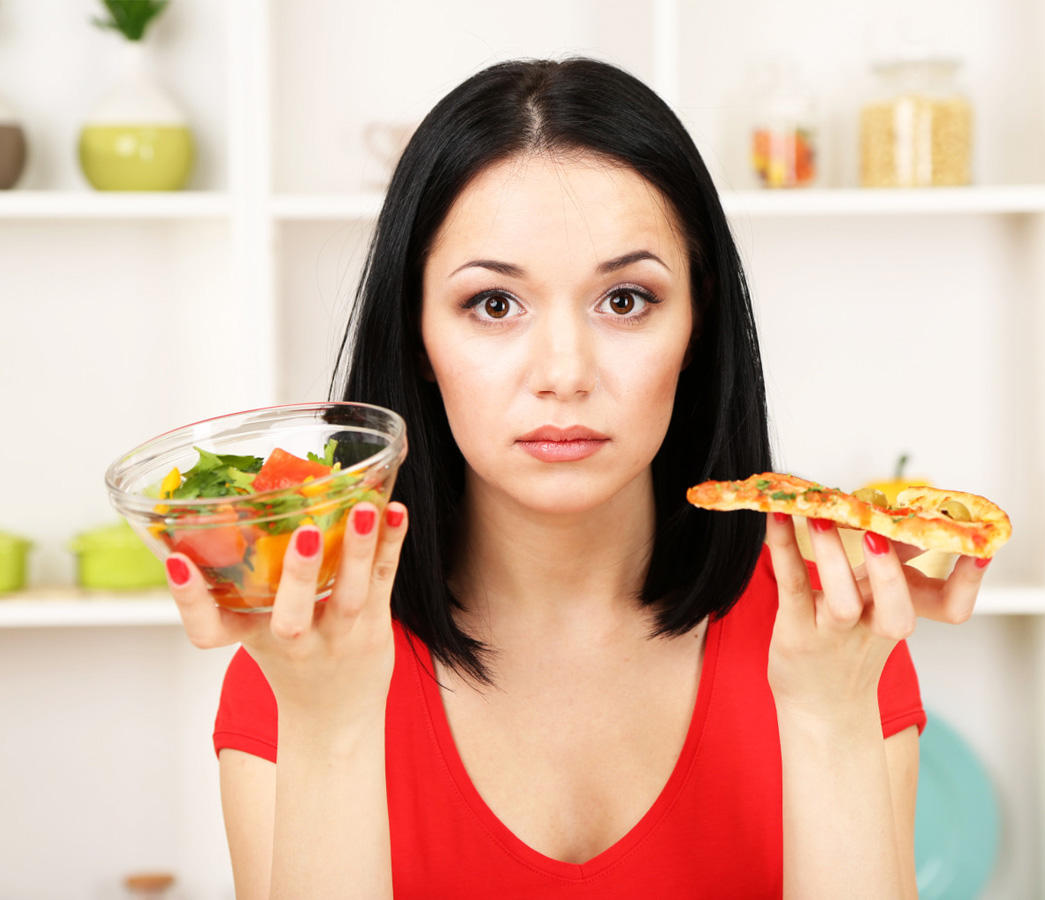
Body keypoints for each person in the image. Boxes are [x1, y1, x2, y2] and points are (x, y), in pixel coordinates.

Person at [164, 57, 994, 899]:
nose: (564, 372)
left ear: (698, 323)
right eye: (494, 304)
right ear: (416, 333)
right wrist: (332, 726)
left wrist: (828, 717)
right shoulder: (304, 663)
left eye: (626, 300)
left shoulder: (832, 640)